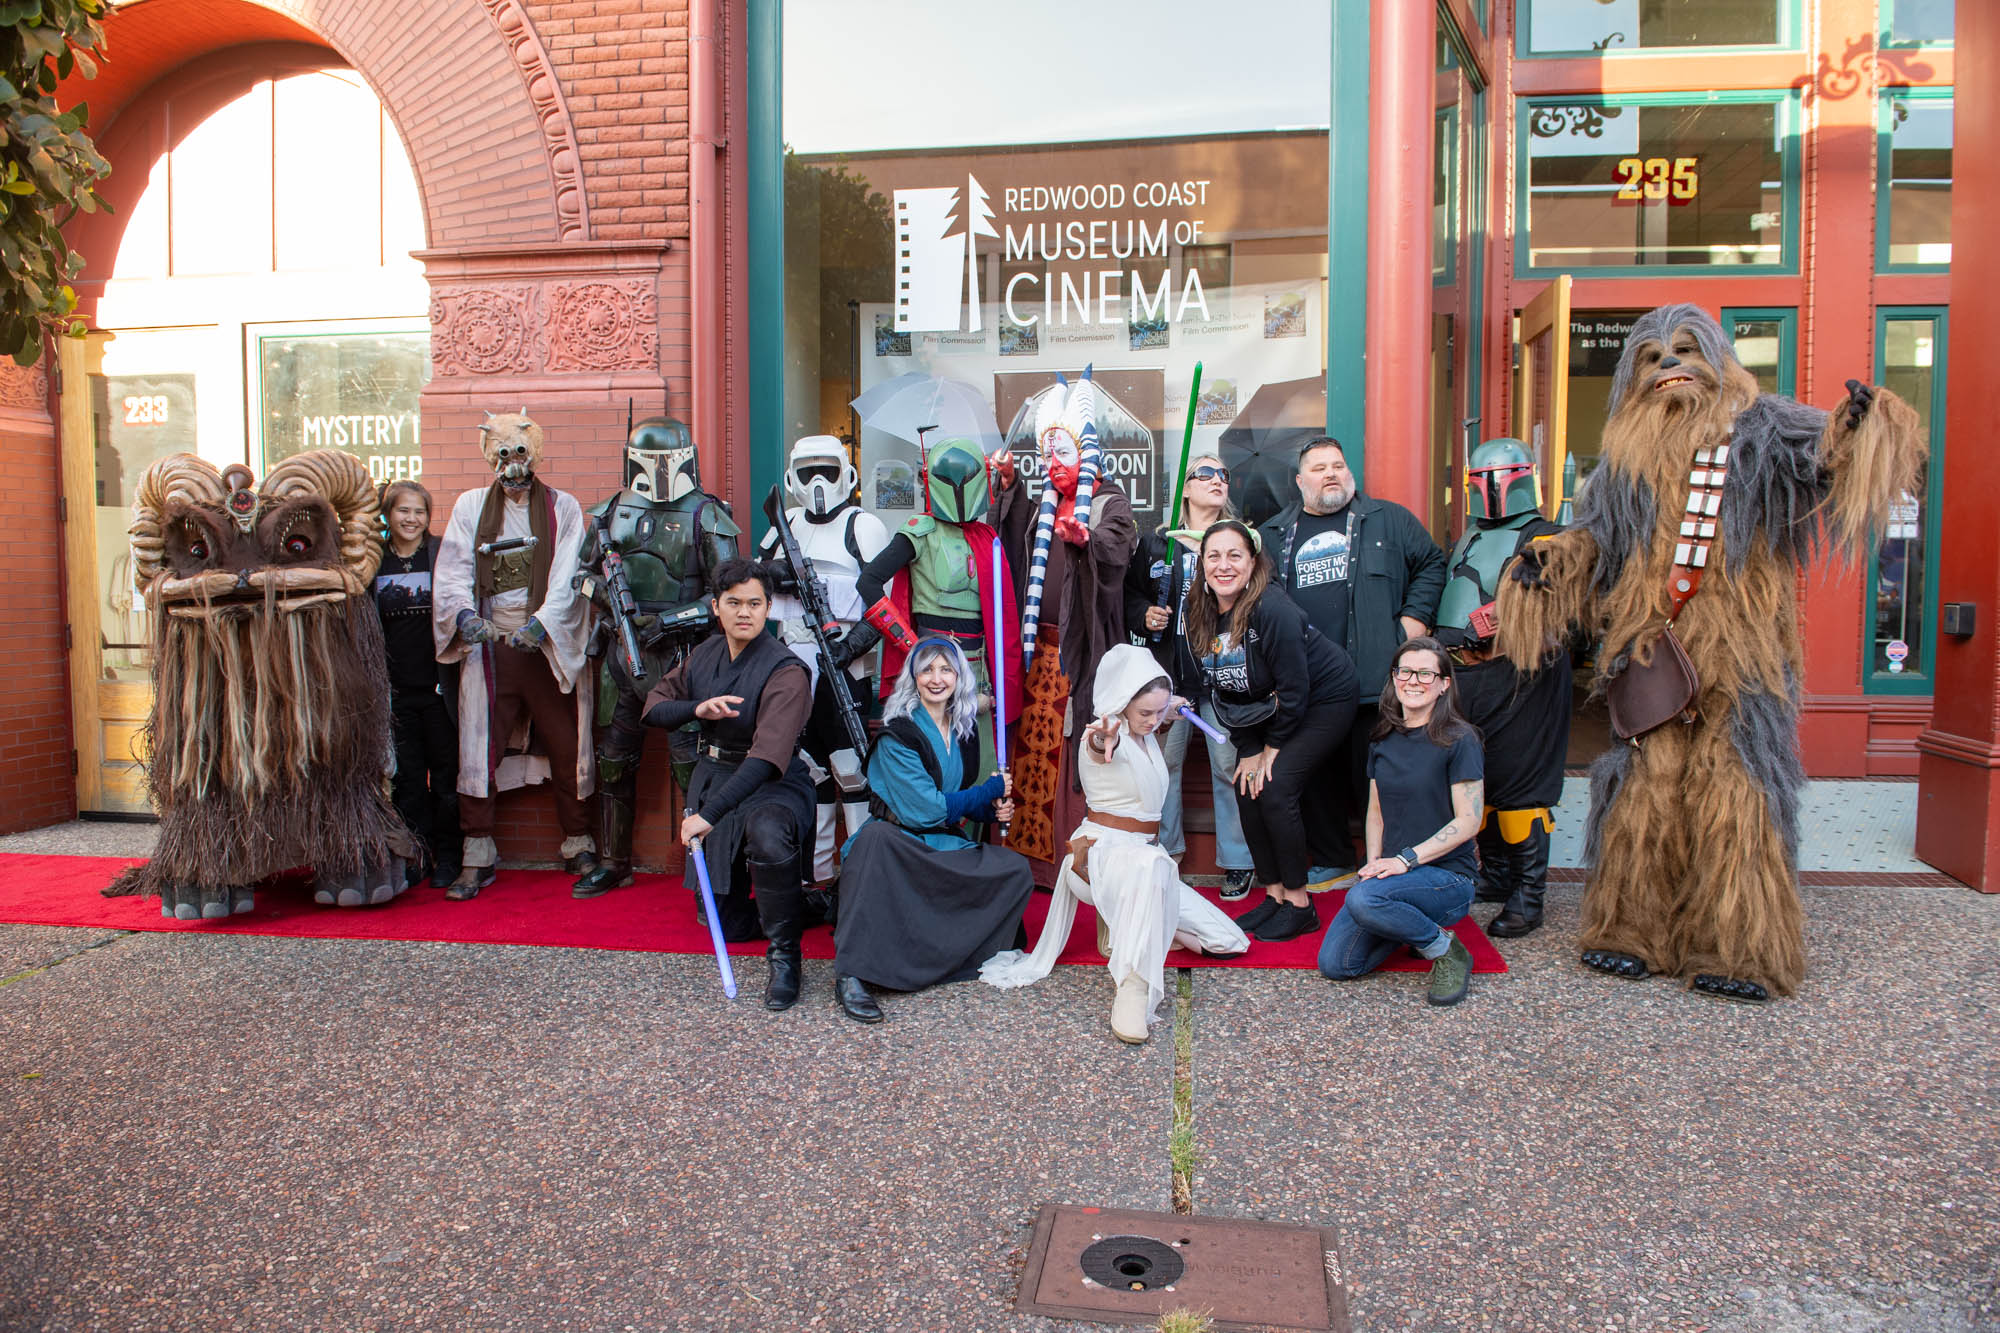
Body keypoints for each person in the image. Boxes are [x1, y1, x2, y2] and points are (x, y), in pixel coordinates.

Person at [981, 644, 1249, 1044]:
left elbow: (1157, 715)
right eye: (1145, 713)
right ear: (1122, 704)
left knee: (1227, 942)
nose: (1153, 720)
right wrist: (1104, 738)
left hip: (1143, 862)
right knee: (1154, 865)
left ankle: (1134, 930)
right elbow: (1101, 746)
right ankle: (1133, 987)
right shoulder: (1106, 734)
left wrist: (1168, 710)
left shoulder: (1147, 730)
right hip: (1098, 859)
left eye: (1159, 712)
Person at [1258, 437, 1446, 881]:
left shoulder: (1389, 520)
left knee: (1379, 777)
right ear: (1300, 481)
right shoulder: (1273, 534)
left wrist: (1413, 624)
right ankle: (1332, 860)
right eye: (1319, 468)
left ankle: (1390, 863)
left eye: (1338, 466)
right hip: (1308, 683)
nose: (1331, 474)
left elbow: (1432, 564)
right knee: (1316, 778)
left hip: (1372, 681)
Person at [571, 416, 739, 899]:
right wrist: (611, 603)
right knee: (614, 760)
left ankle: (707, 873)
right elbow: (580, 576)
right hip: (621, 655)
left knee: (692, 766)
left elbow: (728, 593)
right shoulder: (611, 511)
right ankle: (613, 861)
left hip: (682, 657)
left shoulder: (707, 514)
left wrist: (667, 621)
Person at [433, 410, 597, 899]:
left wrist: (542, 625)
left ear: (535, 454)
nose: (513, 465)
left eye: (521, 453)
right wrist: (465, 617)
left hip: (545, 645)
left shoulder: (563, 507)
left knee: (567, 744)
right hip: (489, 647)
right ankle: (477, 854)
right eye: (503, 455)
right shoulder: (469, 507)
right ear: (491, 458)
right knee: (478, 748)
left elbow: (569, 572)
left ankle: (578, 842)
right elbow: (453, 569)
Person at [642, 559, 818, 1011]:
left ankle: (786, 957)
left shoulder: (787, 671)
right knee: (725, 924)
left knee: (768, 834)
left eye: (755, 603)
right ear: (716, 607)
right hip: (715, 776)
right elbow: (654, 707)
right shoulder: (705, 653)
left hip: (773, 783)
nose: (745, 612)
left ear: (768, 609)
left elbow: (765, 759)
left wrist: (708, 815)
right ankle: (811, 907)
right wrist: (696, 708)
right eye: (734, 602)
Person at [835, 637, 1034, 1024]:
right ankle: (851, 974)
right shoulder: (899, 734)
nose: (936, 678)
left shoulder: (962, 731)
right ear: (913, 677)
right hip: (898, 842)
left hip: (940, 842)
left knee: (1014, 869)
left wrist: (990, 811)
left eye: (946, 669)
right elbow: (927, 810)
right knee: (874, 841)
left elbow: (957, 799)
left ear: (959, 677)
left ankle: (952, 958)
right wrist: (989, 790)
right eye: (926, 669)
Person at [1179, 520, 1358, 943]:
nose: (1223, 565)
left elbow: (1295, 690)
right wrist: (1247, 748)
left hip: (1323, 698)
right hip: (1267, 705)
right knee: (1245, 786)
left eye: (1234, 555)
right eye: (1214, 556)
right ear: (1202, 563)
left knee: (1274, 787)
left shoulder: (1274, 609)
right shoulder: (1198, 610)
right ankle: (1274, 894)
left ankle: (1299, 904)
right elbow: (1222, 687)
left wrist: (1273, 746)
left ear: (1253, 562)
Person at [994, 370, 1139, 883]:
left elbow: (1117, 545)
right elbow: (1013, 539)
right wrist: (1008, 486)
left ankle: (1077, 870)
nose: (1053, 463)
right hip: (1038, 656)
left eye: (1064, 451)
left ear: (1088, 451)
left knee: (1081, 758)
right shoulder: (1044, 505)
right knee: (1032, 758)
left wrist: (1085, 541)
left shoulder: (1109, 502)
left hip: (1085, 654)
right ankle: (1032, 868)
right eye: (1046, 454)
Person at [1433, 439, 1571, 938]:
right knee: (1482, 776)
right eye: (1479, 479)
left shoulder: (1549, 537)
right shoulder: (1470, 534)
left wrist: (1504, 614)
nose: (1488, 487)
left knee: (1521, 785)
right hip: (1465, 675)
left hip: (1521, 674)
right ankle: (1496, 873)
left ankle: (1528, 896)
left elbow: (1566, 594)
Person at [1316, 637, 1482, 1007]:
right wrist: (1373, 863)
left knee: (1364, 899)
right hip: (1393, 878)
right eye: (1405, 671)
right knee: (1337, 964)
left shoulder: (1460, 740)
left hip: (1447, 877)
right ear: (1394, 678)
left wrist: (1404, 860)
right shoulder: (1383, 739)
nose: (1413, 681)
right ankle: (1405, 926)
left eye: (1426, 673)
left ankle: (1445, 950)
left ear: (1444, 684)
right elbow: (1375, 812)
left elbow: (1470, 821)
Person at [756, 434, 891, 888]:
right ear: (792, 476)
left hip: (845, 664)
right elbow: (752, 583)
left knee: (851, 769)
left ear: (846, 475)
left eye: (827, 470)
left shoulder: (862, 526)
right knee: (809, 768)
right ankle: (815, 877)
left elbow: (884, 607)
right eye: (808, 470)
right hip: (792, 663)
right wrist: (776, 575)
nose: (818, 481)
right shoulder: (786, 524)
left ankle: (859, 875)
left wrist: (849, 647)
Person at [1124, 453, 1257, 899]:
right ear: (1184, 487)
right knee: (1164, 766)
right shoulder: (1157, 544)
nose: (1218, 480)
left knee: (1227, 765)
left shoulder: (1240, 541)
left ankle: (1238, 861)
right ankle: (1166, 856)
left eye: (1224, 474)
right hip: (1169, 678)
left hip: (1223, 677)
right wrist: (1145, 615)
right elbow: (1130, 597)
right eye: (1206, 473)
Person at [851, 435, 1022, 775]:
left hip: (976, 668)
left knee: (982, 766)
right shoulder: (921, 531)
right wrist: (911, 646)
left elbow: (1000, 612)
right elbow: (868, 582)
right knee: (934, 761)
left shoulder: (986, 537)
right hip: (931, 666)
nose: (959, 489)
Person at [374, 480, 460, 888]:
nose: (412, 519)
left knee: (446, 779)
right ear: (388, 514)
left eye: (419, 512)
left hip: (439, 689)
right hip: (396, 691)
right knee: (407, 781)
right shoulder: (374, 561)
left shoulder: (441, 553)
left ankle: (449, 857)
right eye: (403, 511)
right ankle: (417, 854)